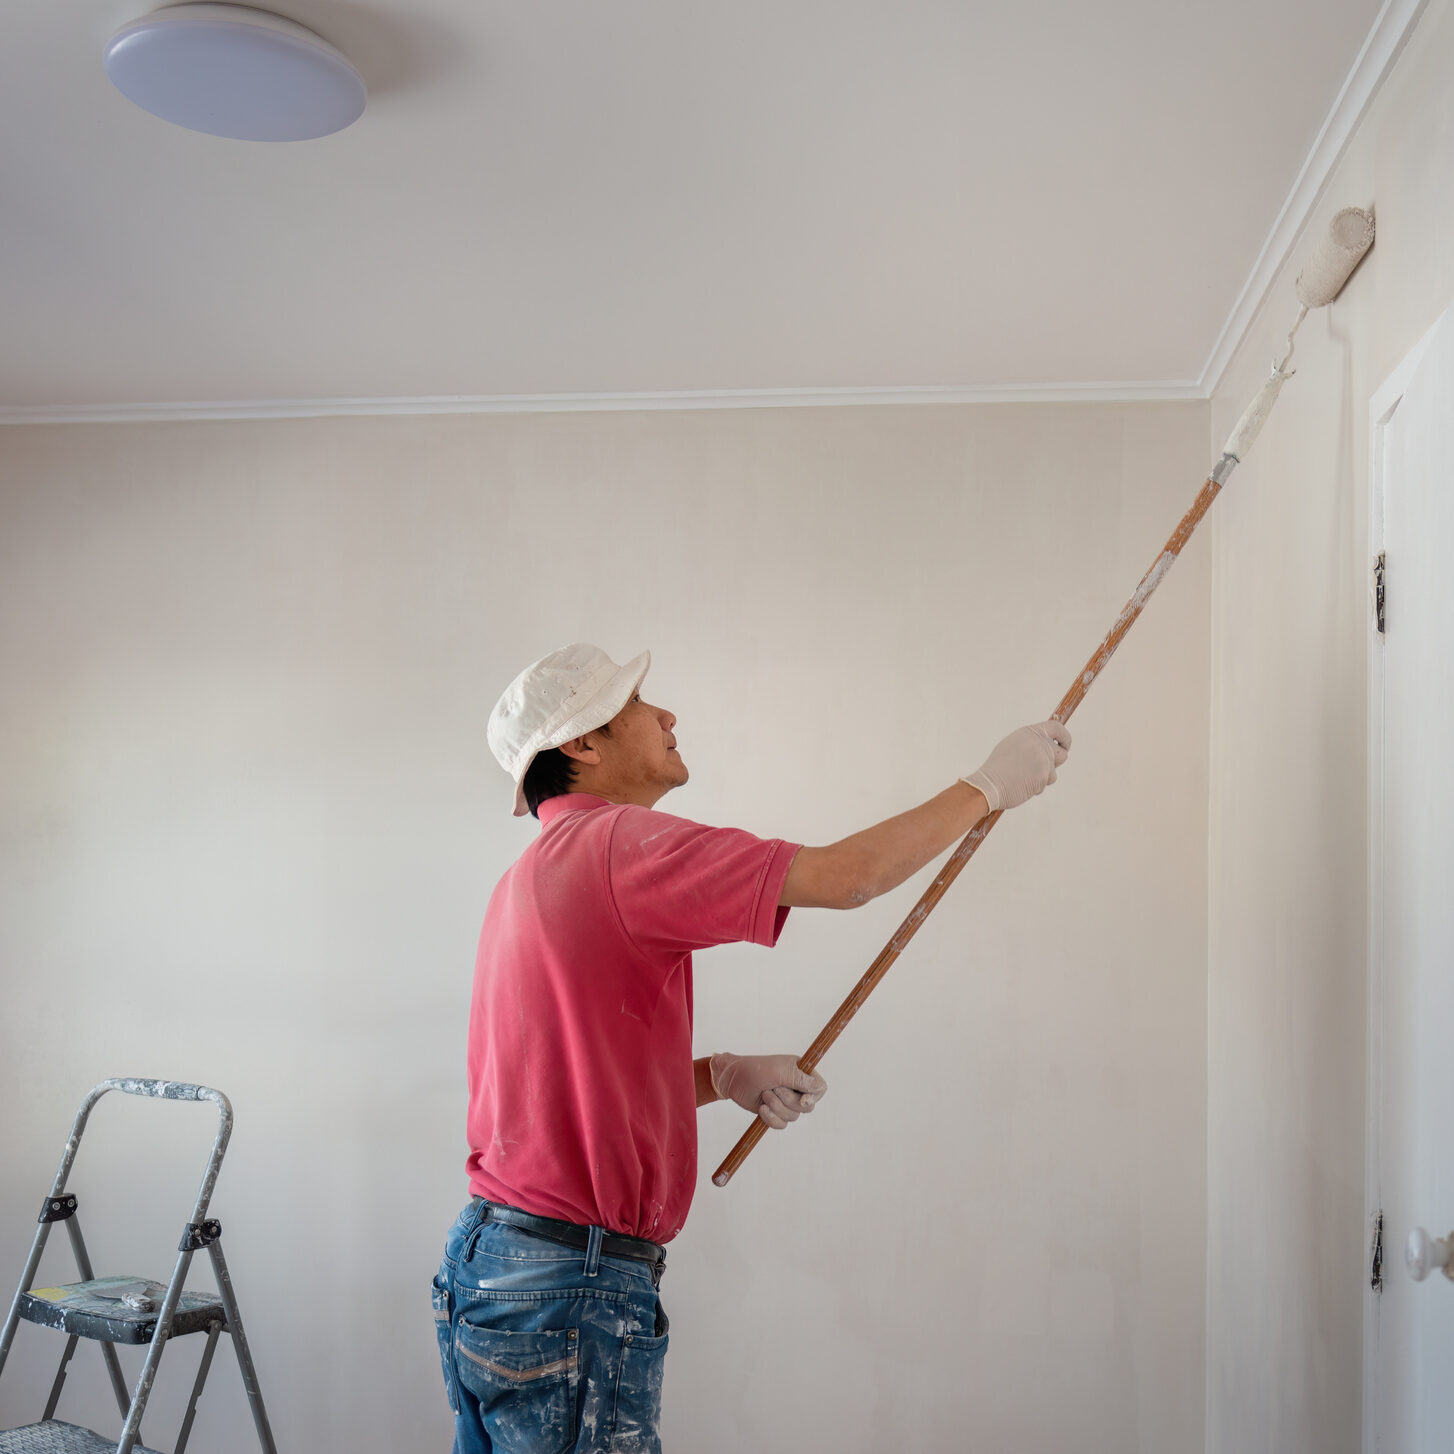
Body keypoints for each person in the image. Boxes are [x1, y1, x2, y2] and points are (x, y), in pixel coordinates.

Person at [433, 643, 1070, 1452]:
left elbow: (567, 1085)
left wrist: (721, 1075)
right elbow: (850, 878)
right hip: (569, 1286)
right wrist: (986, 788)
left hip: (496, 1267)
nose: (667, 716)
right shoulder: (620, 846)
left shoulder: (529, 879)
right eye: (640, 706)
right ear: (583, 746)